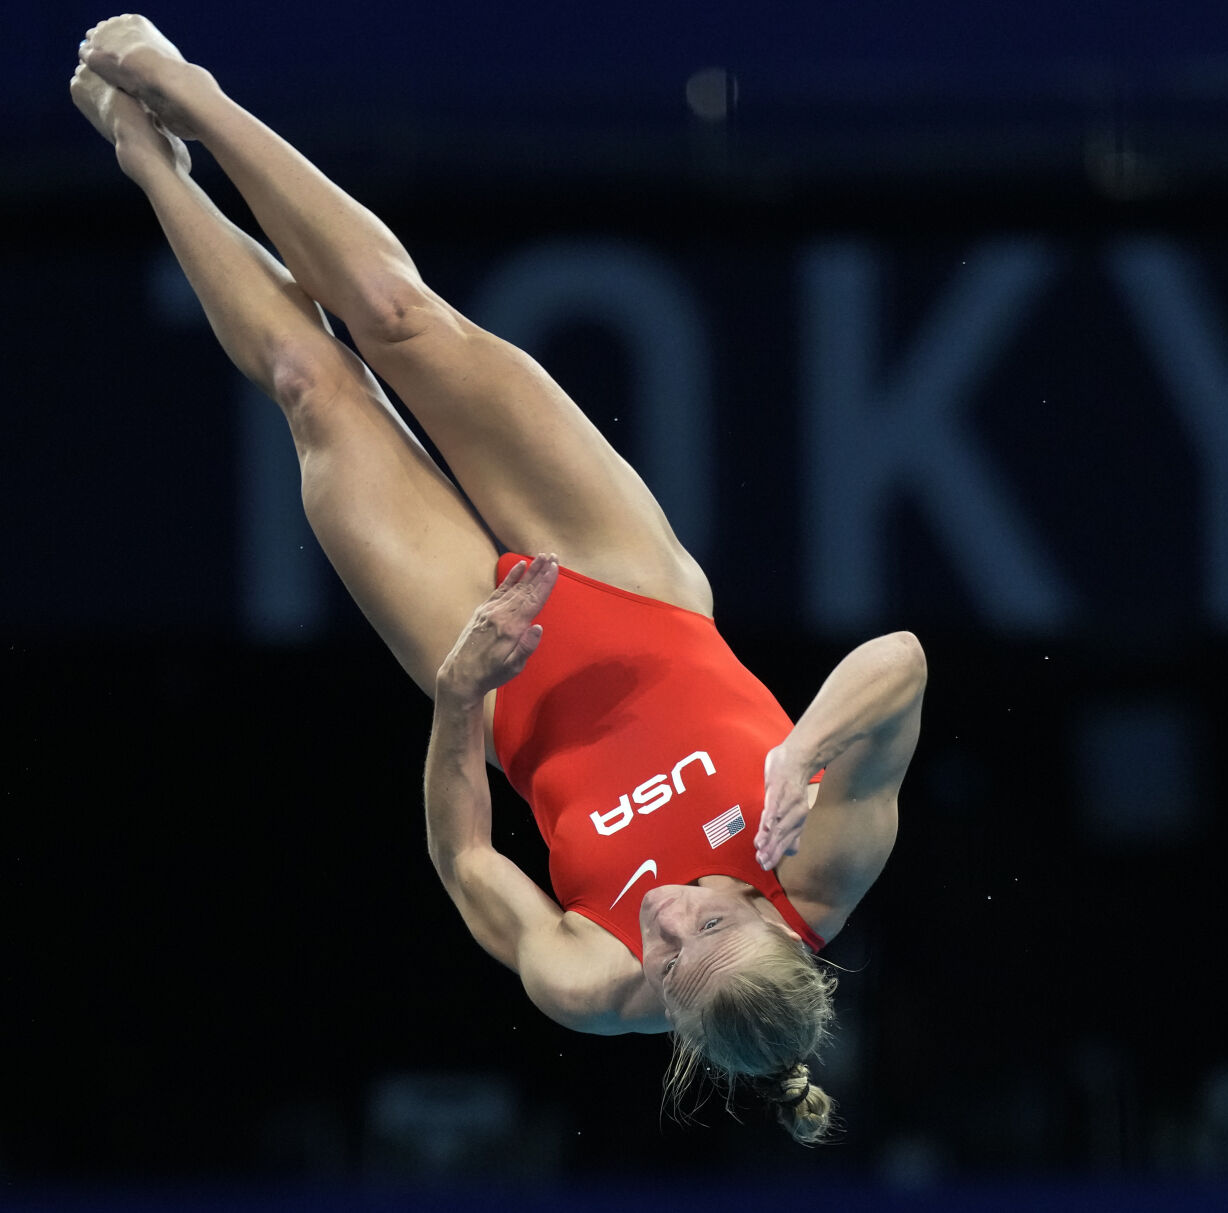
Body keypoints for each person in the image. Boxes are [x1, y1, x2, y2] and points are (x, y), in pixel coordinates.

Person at [72, 15, 926, 1145]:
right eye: (705, 924)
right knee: (396, 321)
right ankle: (195, 95)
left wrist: (465, 689)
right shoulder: (829, 861)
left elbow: (466, 858)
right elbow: (903, 663)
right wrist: (804, 748)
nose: (663, 917)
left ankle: (147, 155)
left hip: (496, 673)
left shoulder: (589, 986)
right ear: (780, 933)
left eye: (664, 965)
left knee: (315, 386)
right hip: (631, 580)